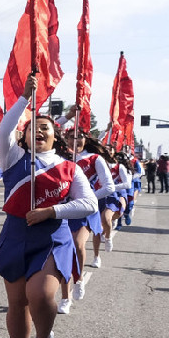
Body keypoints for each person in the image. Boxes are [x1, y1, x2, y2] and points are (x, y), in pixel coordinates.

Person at [0, 75, 96, 338]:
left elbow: (88, 203)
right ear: (23, 136)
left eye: (45, 128)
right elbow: (3, 129)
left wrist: (52, 211)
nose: (38, 131)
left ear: (54, 137)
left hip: (52, 237)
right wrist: (24, 98)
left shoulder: (69, 168)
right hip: (15, 234)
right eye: (32, 128)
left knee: (39, 293)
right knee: (17, 301)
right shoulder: (12, 158)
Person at [57, 126, 114, 314]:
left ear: (85, 138)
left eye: (79, 136)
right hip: (64, 210)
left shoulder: (94, 159)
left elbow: (109, 186)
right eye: (71, 137)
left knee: (77, 244)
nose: (76, 140)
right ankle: (65, 297)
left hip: (85, 211)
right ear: (65, 139)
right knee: (63, 252)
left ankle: (79, 278)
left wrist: (87, 198)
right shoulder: (60, 158)